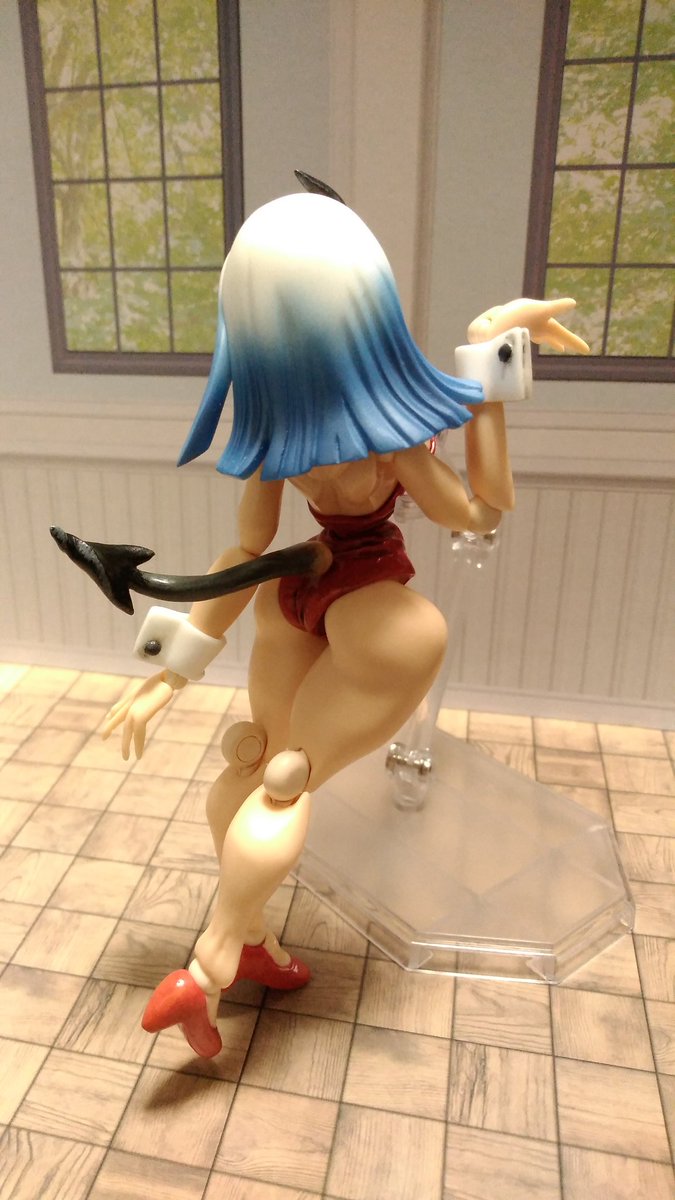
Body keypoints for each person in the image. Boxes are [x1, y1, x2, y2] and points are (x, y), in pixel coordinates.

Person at [103, 188, 587, 1057]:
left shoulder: (280, 431)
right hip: (368, 602)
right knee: (284, 777)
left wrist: (170, 673)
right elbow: (481, 512)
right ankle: (211, 966)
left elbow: (247, 552)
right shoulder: (387, 438)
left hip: (293, 592)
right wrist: (488, 369)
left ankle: (250, 937)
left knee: (256, 757)